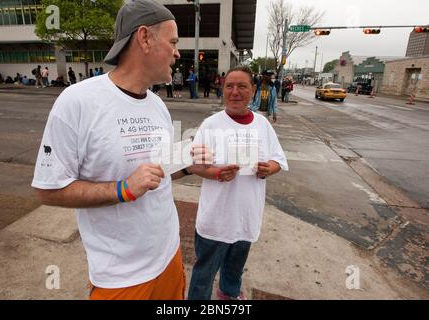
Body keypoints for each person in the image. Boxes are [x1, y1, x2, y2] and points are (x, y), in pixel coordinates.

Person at [32, 0, 211, 300]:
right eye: (173, 42)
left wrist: (191, 165)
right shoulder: (77, 102)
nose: (178, 52)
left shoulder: (157, 105)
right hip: (120, 277)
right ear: (144, 38)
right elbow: (48, 190)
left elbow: (160, 172)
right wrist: (124, 189)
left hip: (169, 256)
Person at [188, 66, 288, 300]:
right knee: (204, 274)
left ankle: (228, 296)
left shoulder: (262, 126)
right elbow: (194, 166)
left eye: (242, 86)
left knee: (234, 270)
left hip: (246, 217)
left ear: (253, 90)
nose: (235, 92)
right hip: (216, 219)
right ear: (222, 90)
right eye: (229, 86)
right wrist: (216, 173)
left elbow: (278, 160)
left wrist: (267, 169)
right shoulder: (211, 125)